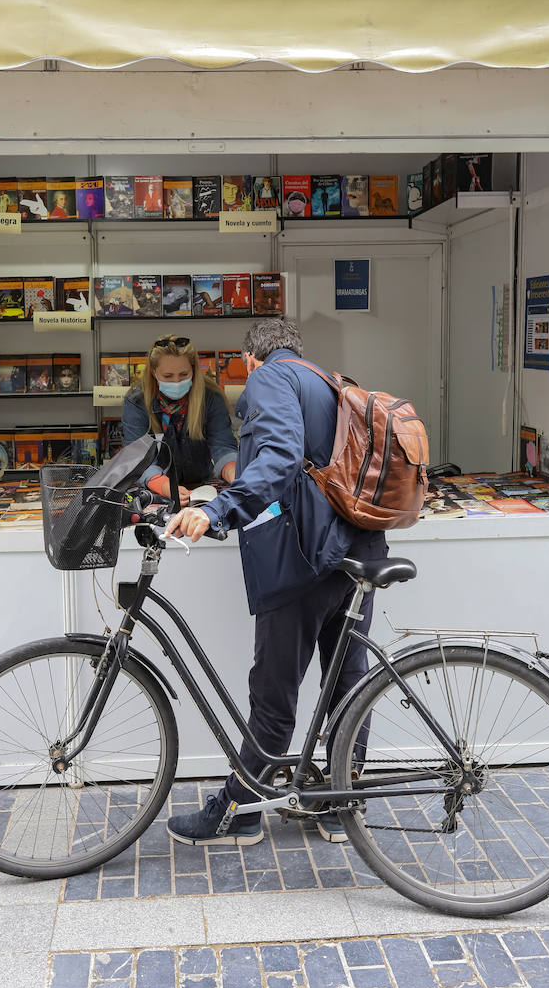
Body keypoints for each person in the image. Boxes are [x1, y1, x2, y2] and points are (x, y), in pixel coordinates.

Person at [164, 318, 388, 845]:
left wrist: (217, 509)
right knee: (347, 683)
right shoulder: (330, 382)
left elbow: (281, 458)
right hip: (353, 556)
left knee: (272, 693)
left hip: (305, 561)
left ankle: (239, 811)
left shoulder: (270, 379)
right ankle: (340, 805)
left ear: (249, 360)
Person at [122, 334, 237, 504]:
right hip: (156, 491)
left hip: (200, 487)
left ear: (194, 370)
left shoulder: (211, 397)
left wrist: (234, 474)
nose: (176, 381)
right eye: (168, 376)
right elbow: (137, 457)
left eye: (184, 374)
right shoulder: (136, 401)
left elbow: (224, 446)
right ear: (154, 372)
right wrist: (163, 485)